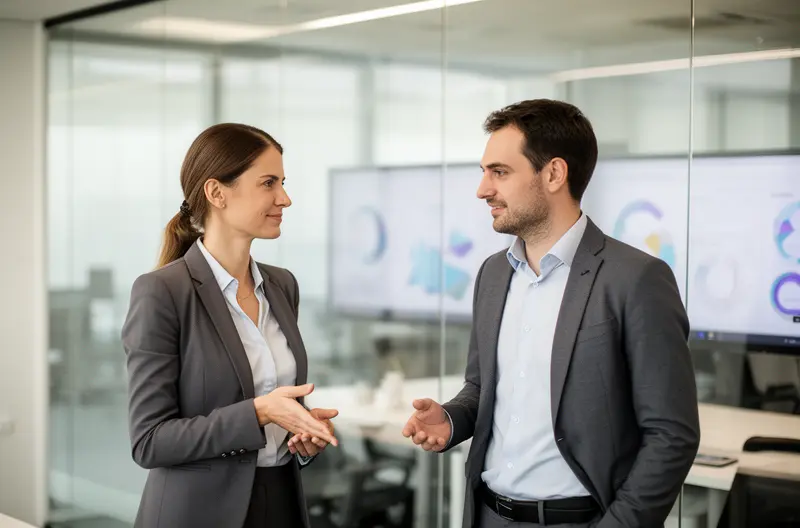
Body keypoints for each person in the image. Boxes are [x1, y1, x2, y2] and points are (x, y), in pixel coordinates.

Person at [402, 99, 700, 527]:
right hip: (488, 514)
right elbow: (481, 385)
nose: (483, 189)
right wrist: (452, 418)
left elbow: (673, 435)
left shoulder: (635, 279)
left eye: (499, 172)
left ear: (554, 174)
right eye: (485, 172)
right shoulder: (493, 274)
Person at [122, 123, 339, 528]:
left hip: (282, 501)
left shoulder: (281, 285)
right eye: (268, 183)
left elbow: (279, 406)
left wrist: (302, 436)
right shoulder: (162, 292)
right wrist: (258, 413)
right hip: (197, 514)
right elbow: (149, 441)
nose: (285, 199)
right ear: (217, 192)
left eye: (283, 182)